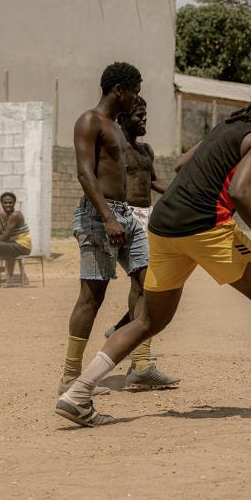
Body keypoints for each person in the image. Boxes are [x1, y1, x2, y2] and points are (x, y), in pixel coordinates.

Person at [55, 77, 251, 427]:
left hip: (163, 226)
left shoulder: (229, 126)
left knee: (150, 320)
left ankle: (77, 394)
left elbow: (183, 164)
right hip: (206, 226)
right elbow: (242, 192)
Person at [57, 62, 179, 399]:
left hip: (126, 215)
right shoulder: (90, 121)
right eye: (135, 92)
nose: (136, 99)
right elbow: (86, 174)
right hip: (101, 217)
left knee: (149, 283)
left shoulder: (114, 126)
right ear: (119, 90)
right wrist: (108, 217)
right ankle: (70, 376)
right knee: (91, 297)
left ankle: (140, 366)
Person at [104, 95, 168, 338]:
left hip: (147, 217)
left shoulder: (145, 150)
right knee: (143, 279)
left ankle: (123, 329)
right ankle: (129, 333)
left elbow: (152, 181)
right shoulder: (116, 148)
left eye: (145, 116)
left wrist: (179, 193)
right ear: (122, 118)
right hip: (126, 215)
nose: (144, 120)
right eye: (139, 116)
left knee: (144, 281)